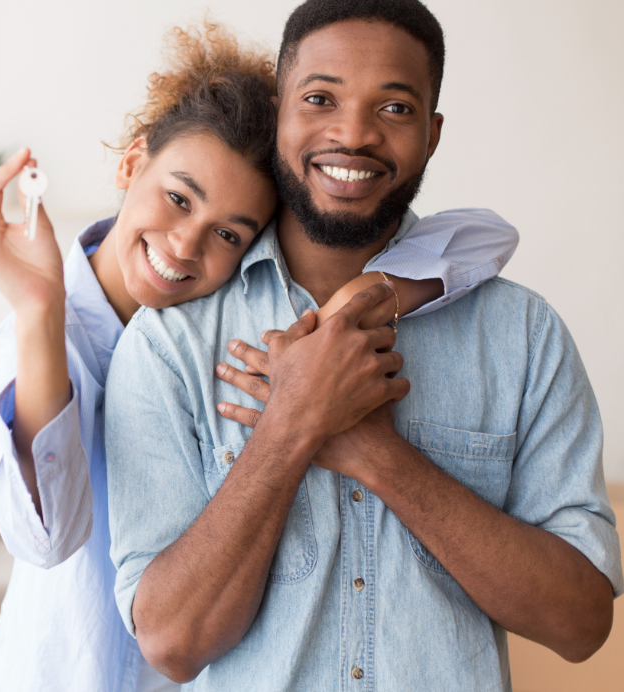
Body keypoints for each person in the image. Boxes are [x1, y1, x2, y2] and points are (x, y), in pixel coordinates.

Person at [0, 21, 519, 692]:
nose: (182, 246)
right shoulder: (47, 333)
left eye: (227, 233)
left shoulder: (228, 326)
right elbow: (45, 539)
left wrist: (357, 297)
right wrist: (36, 307)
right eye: (177, 198)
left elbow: (485, 237)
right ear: (129, 163)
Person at [104, 2, 623, 691]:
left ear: (432, 134)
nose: (352, 134)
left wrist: (375, 453)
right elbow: (171, 643)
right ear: (278, 109)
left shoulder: (521, 335)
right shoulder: (170, 342)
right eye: (320, 98)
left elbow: (580, 624)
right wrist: (292, 422)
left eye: (395, 109)